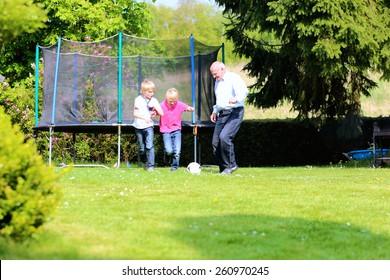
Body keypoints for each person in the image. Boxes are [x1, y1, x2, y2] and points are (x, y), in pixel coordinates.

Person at [209, 61, 248, 175]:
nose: (214, 76)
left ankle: (231, 165)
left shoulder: (233, 78)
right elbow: (219, 100)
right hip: (222, 113)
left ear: (222, 69)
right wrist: (215, 111)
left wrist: (236, 98)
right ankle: (224, 169)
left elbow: (244, 91)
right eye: (212, 74)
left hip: (235, 112)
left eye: (215, 73)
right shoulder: (218, 81)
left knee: (225, 137)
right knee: (215, 142)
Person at [159, 88, 195, 171]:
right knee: (169, 150)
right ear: (166, 98)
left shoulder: (179, 104)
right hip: (166, 130)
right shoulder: (162, 105)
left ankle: (174, 168)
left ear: (177, 99)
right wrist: (153, 113)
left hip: (176, 130)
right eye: (170, 101)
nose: (172, 103)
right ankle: (166, 155)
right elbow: (155, 111)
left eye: (174, 101)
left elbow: (186, 107)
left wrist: (190, 108)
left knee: (177, 151)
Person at [133, 79, 164, 171]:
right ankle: (144, 162)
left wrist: (155, 110)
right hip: (138, 126)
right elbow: (135, 113)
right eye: (150, 92)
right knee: (142, 148)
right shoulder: (138, 100)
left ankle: (151, 166)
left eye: (153, 92)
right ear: (144, 91)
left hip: (149, 126)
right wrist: (145, 118)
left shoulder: (154, 100)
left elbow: (162, 113)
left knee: (149, 146)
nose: (152, 94)